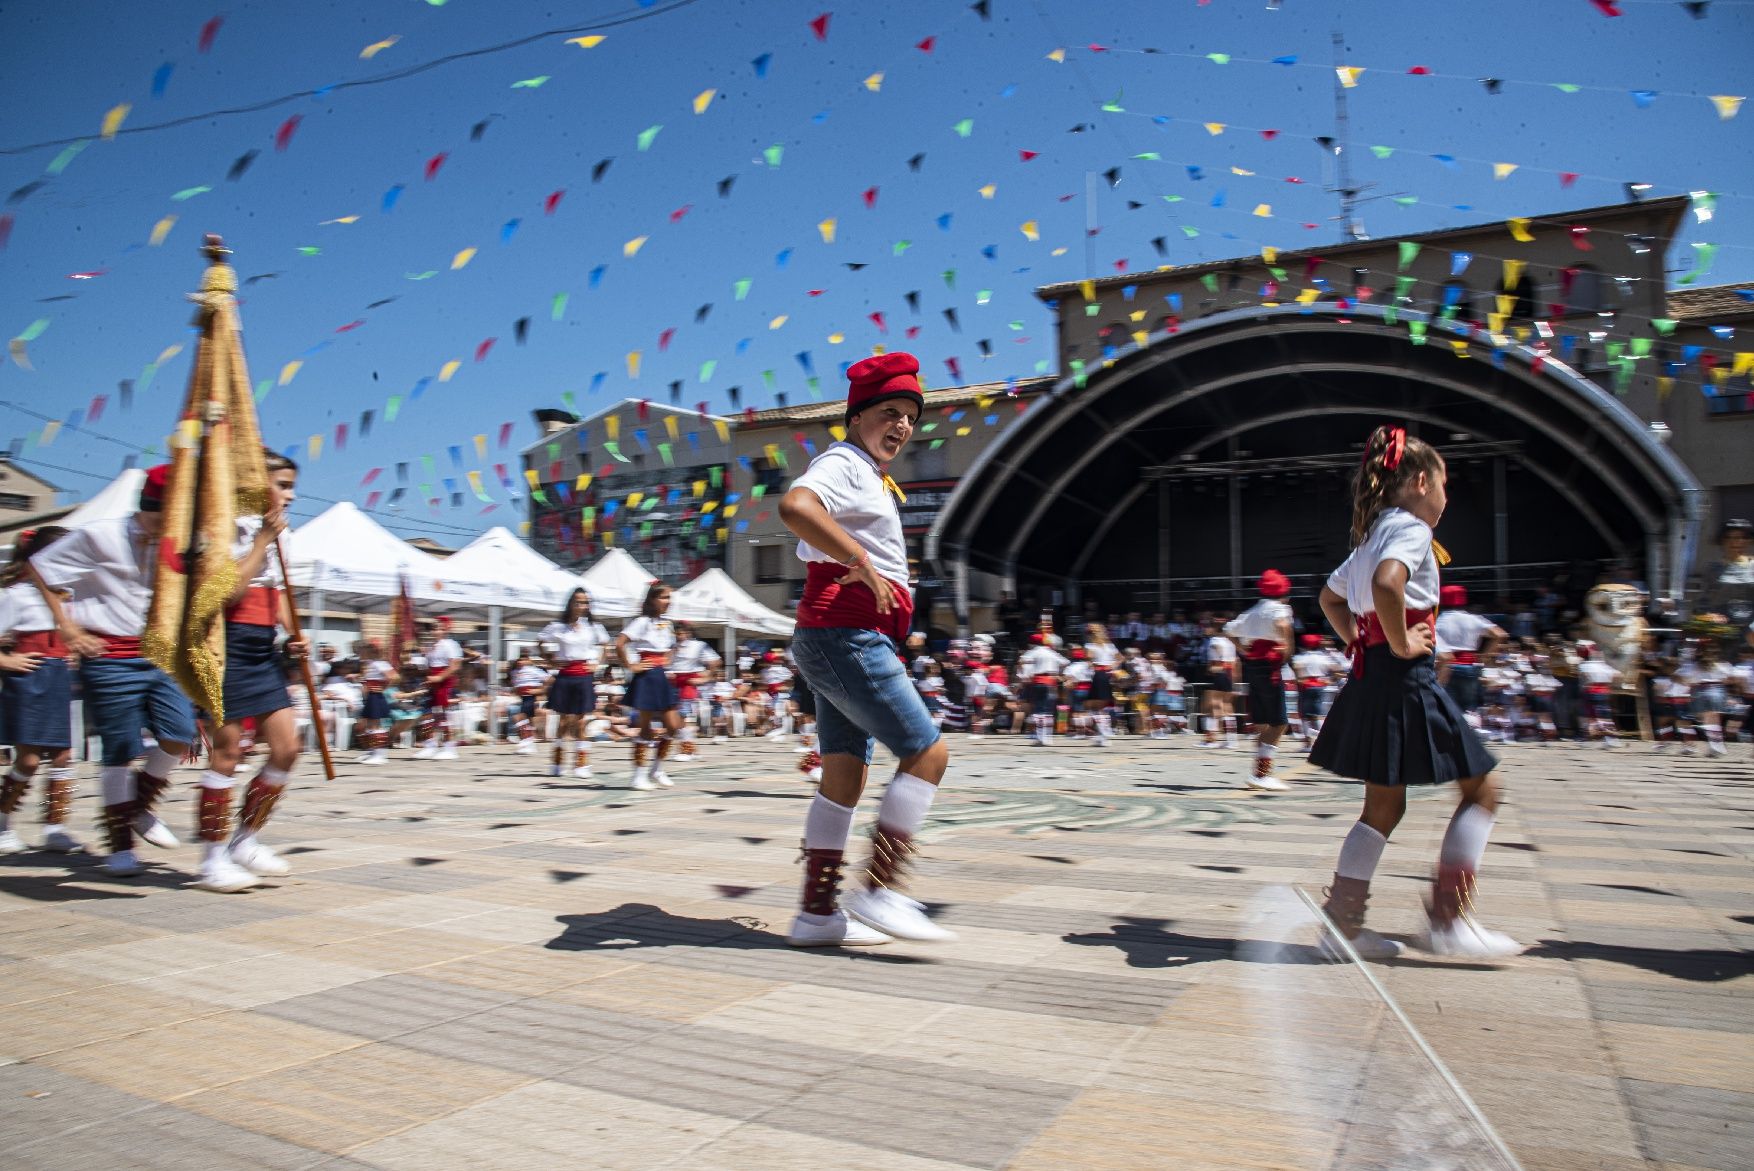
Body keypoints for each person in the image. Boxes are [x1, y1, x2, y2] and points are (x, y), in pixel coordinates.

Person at [1310, 425, 1521, 961]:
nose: (1447, 498)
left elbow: (1329, 599)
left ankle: (1343, 927)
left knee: (1381, 808)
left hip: (1371, 679)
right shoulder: (1408, 530)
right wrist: (1401, 641)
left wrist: (1362, 640)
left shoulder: (1371, 534)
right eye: (1446, 484)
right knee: (1484, 790)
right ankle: (1450, 921)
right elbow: (1387, 583)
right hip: (1405, 678)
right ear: (1422, 481)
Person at [778, 351, 954, 946]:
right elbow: (795, 506)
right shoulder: (846, 464)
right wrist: (858, 560)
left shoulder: (870, 474)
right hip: (843, 633)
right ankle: (880, 891)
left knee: (843, 777)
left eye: (910, 415)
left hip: (841, 636)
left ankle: (817, 914)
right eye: (889, 411)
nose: (903, 425)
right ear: (857, 417)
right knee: (928, 755)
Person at [31, 466, 193, 876]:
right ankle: (120, 844)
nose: (167, 529)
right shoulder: (99, 534)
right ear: (149, 508)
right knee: (120, 751)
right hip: (110, 655)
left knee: (180, 735)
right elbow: (40, 569)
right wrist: (67, 627)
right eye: (164, 519)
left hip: (160, 654)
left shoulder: (176, 544)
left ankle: (136, 808)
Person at [196, 450, 306, 892]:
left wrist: (295, 633)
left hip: (263, 649)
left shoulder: (285, 532)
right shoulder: (219, 526)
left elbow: (276, 592)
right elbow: (226, 592)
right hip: (226, 644)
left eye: (292, 486)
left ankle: (246, 838)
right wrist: (261, 539)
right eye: (282, 485)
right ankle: (210, 860)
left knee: (288, 748)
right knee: (226, 753)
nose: (291, 495)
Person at [0, 527, 79, 855]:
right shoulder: (14, 595)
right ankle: (3, 822)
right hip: (29, 682)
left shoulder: (69, 596)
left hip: (60, 680)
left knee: (63, 756)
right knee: (29, 760)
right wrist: (9, 661)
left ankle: (55, 827)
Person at [1225, 570, 1296, 790]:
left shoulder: (1252, 611)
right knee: (1279, 722)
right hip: (1269, 667)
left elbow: (1228, 629)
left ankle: (1260, 772)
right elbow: (1283, 625)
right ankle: (1261, 775)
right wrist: (1287, 648)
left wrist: (1242, 648)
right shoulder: (1280, 609)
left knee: (1264, 723)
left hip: (1253, 667)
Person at [617, 583, 681, 791]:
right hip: (646, 674)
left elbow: (670, 648)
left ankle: (657, 768)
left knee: (673, 726)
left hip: (661, 674)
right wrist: (631, 666)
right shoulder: (642, 622)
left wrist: (668, 660)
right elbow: (619, 643)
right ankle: (638, 775)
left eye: (669, 598)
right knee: (645, 726)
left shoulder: (668, 624)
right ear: (652, 599)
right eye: (663, 597)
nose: (667, 602)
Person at [540, 588, 609, 779]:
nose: (582, 606)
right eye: (578, 602)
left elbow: (605, 645)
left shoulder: (594, 627)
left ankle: (581, 763)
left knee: (580, 720)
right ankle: (557, 761)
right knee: (562, 720)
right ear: (570, 603)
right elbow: (540, 641)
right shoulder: (558, 626)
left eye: (585, 602)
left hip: (584, 675)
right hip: (564, 675)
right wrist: (550, 659)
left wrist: (597, 664)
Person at [1434, 585, 1503, 719]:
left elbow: (1443, 654)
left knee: (1448, 709)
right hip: (1471, 667)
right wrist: (1484, 656)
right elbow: (1499, 634)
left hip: (1446, 667)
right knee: (1470, 709)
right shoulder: (1473, 619)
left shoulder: (1439, 621)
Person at [415, 616, 464, 760]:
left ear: (446, 630)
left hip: (445, 680)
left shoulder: (450, 644)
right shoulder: (431, 646)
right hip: (433, 680)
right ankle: (430, 745)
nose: (435, 632)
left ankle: (449, 746)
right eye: (434, 629)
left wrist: (440, 677)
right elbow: (427, 666)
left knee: (443, 715)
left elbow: (455, 665)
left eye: (439, 629)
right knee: (427, 714)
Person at [670, 622, 721, 759]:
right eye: (676, 633)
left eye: (681, 633)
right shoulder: (672, 646)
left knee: (682, 715)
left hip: (688, 682)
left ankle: (686, 750)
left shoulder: (698, 646)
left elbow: (715, 661)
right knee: (673, 718)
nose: (679, 636)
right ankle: (691, 750)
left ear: (688, 633)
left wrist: (705, 678)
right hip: (673, 683)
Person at [1018, 633, 1069, 746]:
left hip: (1038, 682)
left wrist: (1024, 674)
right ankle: (1048, 738)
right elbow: (1065, 662)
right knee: (1048, 711)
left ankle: (1040, 738)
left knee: (1038, 710)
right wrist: (1057, 673)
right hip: (1051, 683)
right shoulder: (1051, 652)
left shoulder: (1035, 651)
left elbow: (1021, 661)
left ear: (1033, 643)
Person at [356, 641, 397, 764]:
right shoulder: (369, 663)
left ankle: (380, 753)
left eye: (366, 650)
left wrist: (383, 687)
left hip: (376, 695)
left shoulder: (380, 663)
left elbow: (393, 676)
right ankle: (371, 751)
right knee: (369, 724)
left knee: (375, 724)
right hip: (369, 695)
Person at [1201, 618, 1238, 747]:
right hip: (1228, 673)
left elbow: (1213, 662)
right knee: (1227, 706)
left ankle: (1210, 739)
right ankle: (1231, 740)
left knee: (1213, 706)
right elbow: (1234, 662)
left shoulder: (1214, 641)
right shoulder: (1230, 642)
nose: (1205, 629)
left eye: (1208, 626)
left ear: (1214, 628)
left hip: (1217, 672)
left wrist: (1211, 669)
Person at [508, 651, 549, 755]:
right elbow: (516, 685)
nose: (521, 662)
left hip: (530, 697)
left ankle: (527, 742)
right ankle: (528, 743)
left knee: (520, 717)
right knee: (527, 721)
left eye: (524, 659)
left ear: (529, 660)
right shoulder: (515, 672)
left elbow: (549, 680)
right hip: (521, 697)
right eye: (520, 659)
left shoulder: (534, 670)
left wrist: (540, 690)